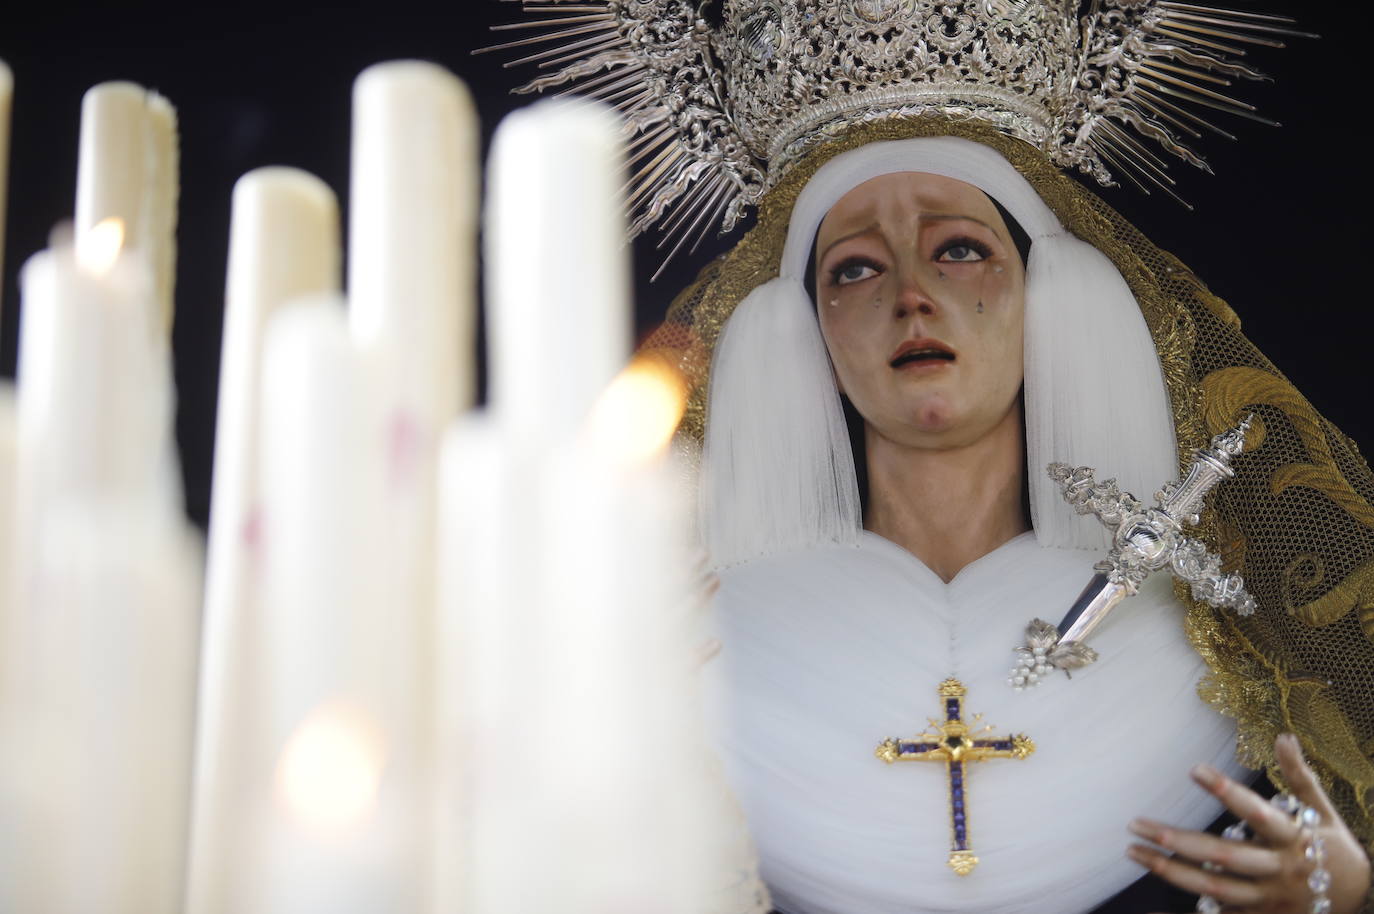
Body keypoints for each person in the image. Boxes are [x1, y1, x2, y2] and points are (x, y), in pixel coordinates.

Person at [488, 2, 1374, 911]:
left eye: (958, 250)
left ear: (1049, 291)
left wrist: (1343, 895)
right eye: (856, 269)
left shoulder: (1213, 639)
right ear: (802, 329)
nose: (912, 296)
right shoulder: (709, 643)